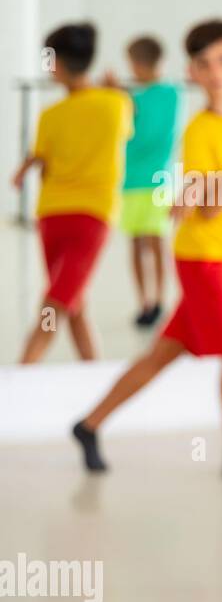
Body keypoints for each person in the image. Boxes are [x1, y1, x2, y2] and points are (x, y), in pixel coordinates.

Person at [72, 19, 222, 480]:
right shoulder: (198, 131)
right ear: (192, 72)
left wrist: (219, 183)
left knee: (161, 355)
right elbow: (209, 211)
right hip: (201, 257)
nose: (216, 72)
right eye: (205, 64)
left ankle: (89, 425)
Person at [11, 22, 132, 364]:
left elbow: (43, 161)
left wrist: (25, 169)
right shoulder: (115, 103)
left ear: (59, 63)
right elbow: (126, 126)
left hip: (53, 215)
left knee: (54, 303)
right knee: (71, 300)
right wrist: (115, 89)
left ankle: (23, 372)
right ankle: (92, 371)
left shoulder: (50, 115)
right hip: (91, 215)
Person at [115, 35, 183, 327]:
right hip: (155, 181)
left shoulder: (135, 98)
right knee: (155, 244)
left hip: (137, 181)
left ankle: (148, 302)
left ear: (137, 64)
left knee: (140, 244)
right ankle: (156, 302)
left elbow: (134, 114)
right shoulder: (171, 94)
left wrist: (120, 91)